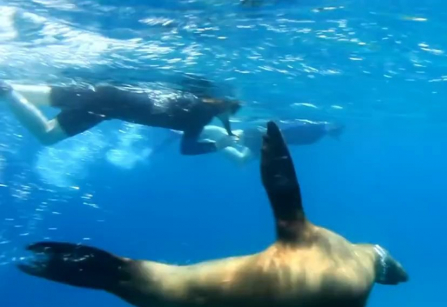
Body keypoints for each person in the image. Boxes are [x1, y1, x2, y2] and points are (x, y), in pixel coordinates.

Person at [0, 80, 240, 156]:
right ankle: (9, 93)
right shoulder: (201, 116)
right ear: (226, 107)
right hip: (102, 107)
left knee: (24, 91)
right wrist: (220, 144)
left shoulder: (191, 94)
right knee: (47, 135)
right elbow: (187, 149)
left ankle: (7, 89)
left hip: (101, 89)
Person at [201, 119, 344, 166]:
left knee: (241, 160)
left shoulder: (317, 134)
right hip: (263, 136)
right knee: (229, 136)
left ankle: (208, 140)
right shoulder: (315, 128)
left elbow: (291, 138)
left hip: (268, 144)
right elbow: (290, 127)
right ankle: (194, 131)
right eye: (336, 132)